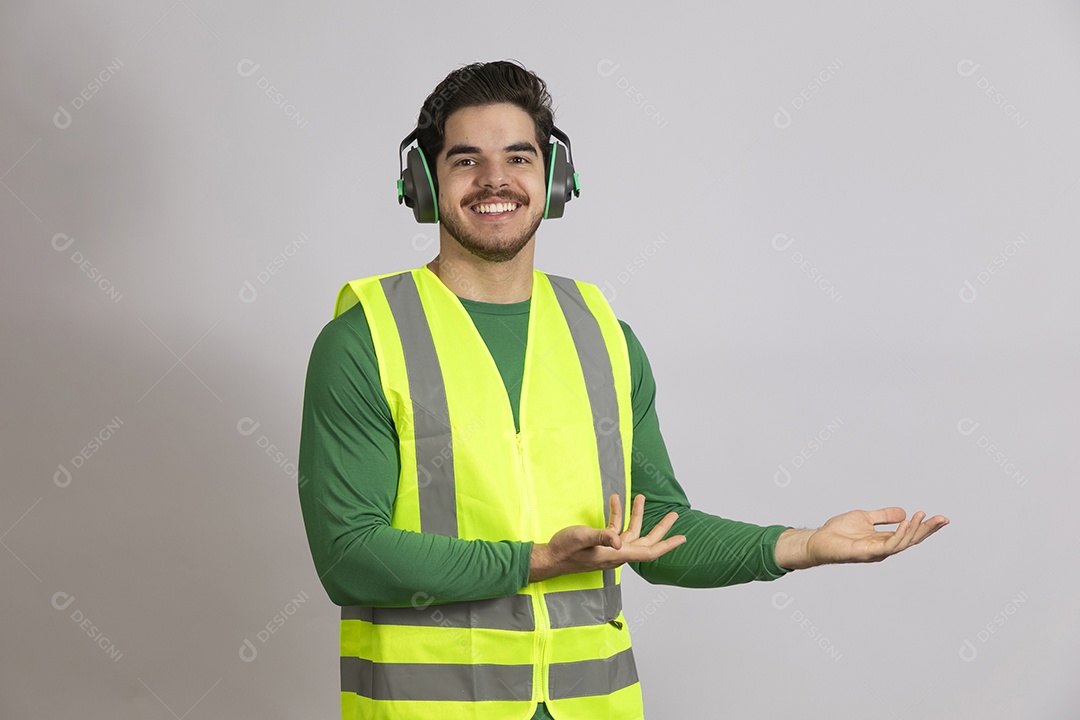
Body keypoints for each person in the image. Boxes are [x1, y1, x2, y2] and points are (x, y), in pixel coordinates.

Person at [297, 59, 949, 720]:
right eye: (467, 160)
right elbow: (350, 556)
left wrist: (800, 545)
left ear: (553, 181)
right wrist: (537, 560)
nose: (496, 179)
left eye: (519, 157)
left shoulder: (605, 339)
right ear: (425, 185)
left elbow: (658, 530)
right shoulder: (365, 341)